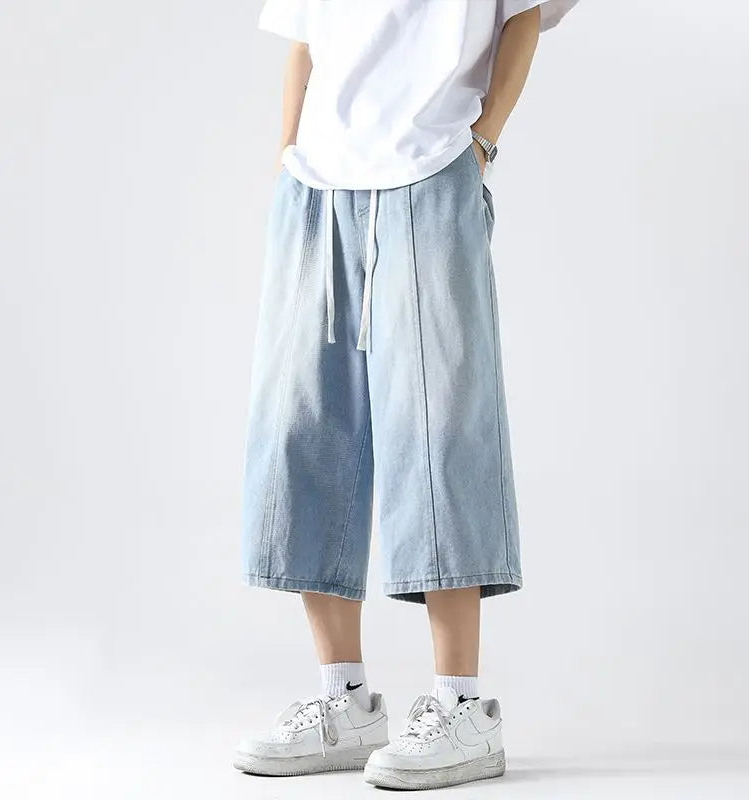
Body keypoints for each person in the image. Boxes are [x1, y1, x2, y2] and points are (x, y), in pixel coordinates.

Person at [234, 0, 579, 790]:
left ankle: (463, 706)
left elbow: (524, 14)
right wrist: (287, 153)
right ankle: (344, 699)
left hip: (431, 172)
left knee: (439, 429)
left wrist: (482, 141)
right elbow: (305, 39)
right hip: (316, 187)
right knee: (303, 428)